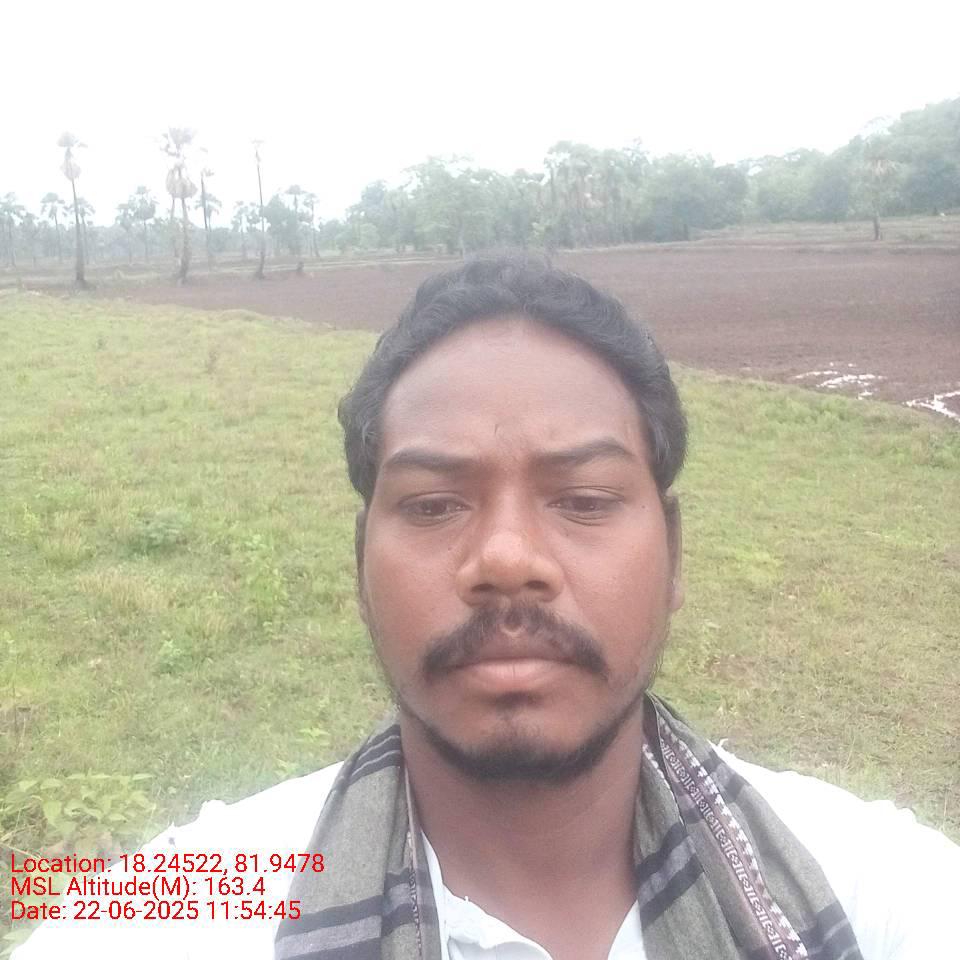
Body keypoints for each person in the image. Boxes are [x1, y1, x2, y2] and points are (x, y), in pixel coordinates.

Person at [14, 258, 959, 960]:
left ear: (673, 555)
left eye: (583, 499)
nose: (507, 560)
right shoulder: (178, 911)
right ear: (360, 567)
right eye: (433, 505)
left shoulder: (878, 893)